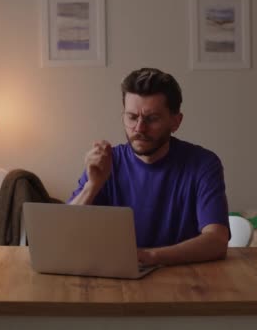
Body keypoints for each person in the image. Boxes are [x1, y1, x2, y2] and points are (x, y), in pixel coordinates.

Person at [69, 67, 229, 266]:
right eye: (132, 117)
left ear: (176, 122)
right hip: (116, 280)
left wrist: (151, 257)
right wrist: (91, 186)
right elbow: (65, 236)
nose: (139, 128)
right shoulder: (107, 162)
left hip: (184, 279)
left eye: (152, 119)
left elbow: (217, 241)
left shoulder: (203, 164)